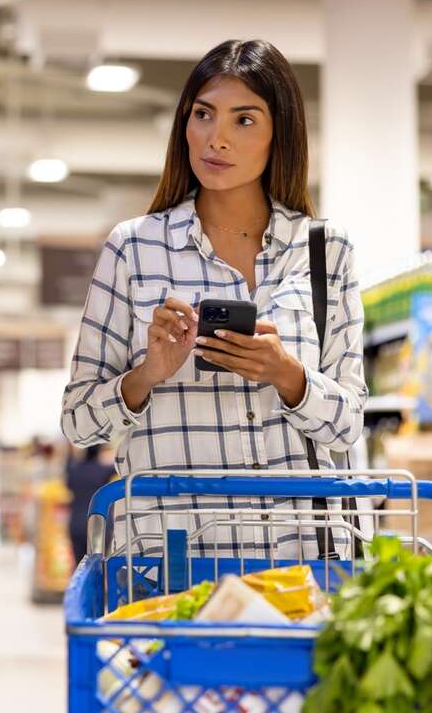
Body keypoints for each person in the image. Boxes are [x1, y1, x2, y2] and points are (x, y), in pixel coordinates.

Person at [60, 40, 367, 561]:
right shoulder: (134, 248)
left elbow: (349, 422)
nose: (215, 138)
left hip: (302, 559)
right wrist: (147, 374)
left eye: (243, 121)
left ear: (280, 135)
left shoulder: (324, 249)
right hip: (173, 558)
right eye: (203, 115)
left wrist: (288, 375)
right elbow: (79, 422)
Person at [65, 445, 116, 565]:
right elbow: (118, 463)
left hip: (76, 522)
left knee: (80, 566)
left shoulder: (73, 469)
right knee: (98, 564)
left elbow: (67, 463)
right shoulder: (103, 470)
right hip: (100, 522)